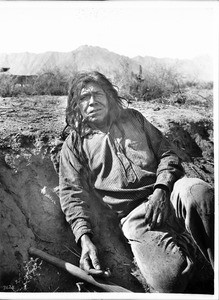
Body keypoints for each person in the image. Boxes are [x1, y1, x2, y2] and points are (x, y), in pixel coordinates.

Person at [59, 71, 214, 293]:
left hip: (168, 191)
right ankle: (191, 242)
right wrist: (84, 239)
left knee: (201, 193)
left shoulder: (133, 118)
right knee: (168, 281)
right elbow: (72, 194)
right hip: (134, 216)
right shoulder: (74, 145)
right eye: (84, 97)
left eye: (97, 94)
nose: (92, 101)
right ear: (77, 105)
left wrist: (161, 189)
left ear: (109, 96)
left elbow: (168, 153)